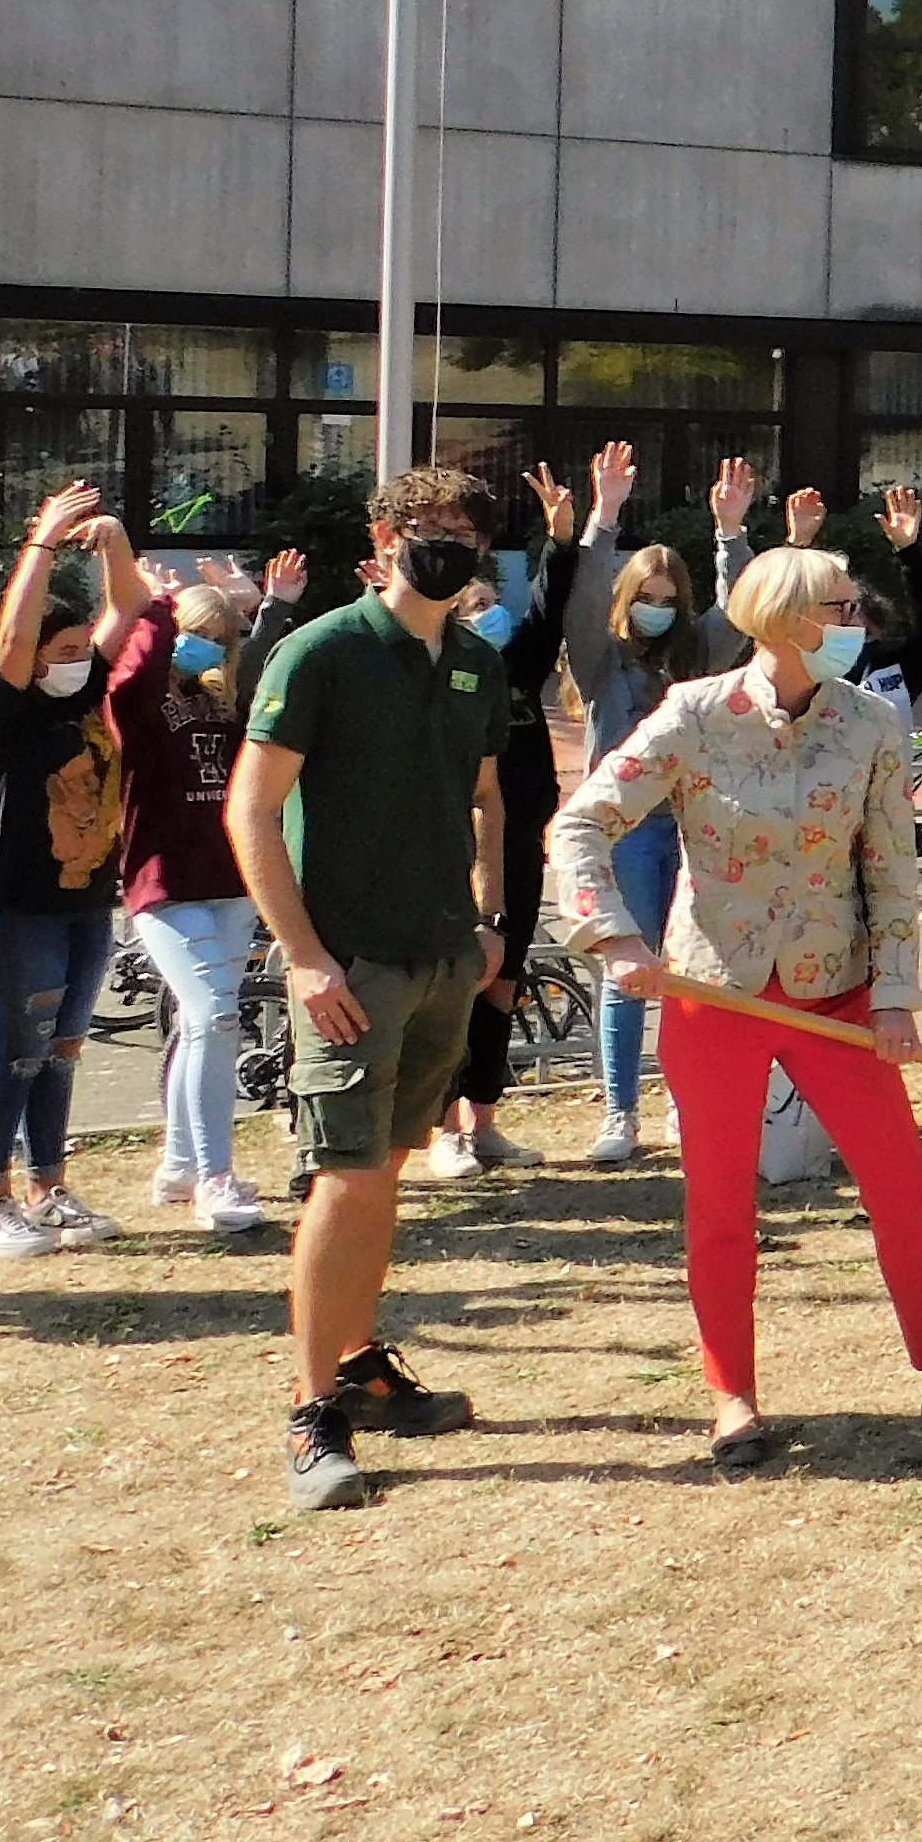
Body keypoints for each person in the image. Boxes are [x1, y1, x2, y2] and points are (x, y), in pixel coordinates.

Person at [551, 542, 922, 1465]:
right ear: (786, 618)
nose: (856, 626)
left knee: (902, 1183)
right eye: (841, 609)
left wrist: (896, 995)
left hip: (839, 994)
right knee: (720, 1201)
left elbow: (886, 870)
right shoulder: (694, 716)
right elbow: (582, 822)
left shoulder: (871, 723)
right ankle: (732, 1396)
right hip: (718, 990)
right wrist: (614, 938)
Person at [229, 463, 515, 1513]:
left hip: (443, 956)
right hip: (351, 966)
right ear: (384, 538)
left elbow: (490, 799)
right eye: (426, 527)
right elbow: (252, 813)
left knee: (385, 1168)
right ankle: (315, 1416)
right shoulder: (321, 653)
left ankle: (360, 1364)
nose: (445, 543)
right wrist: (303, 956)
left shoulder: (480, 665)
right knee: (345, 1176)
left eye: (463, 530)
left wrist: (488, 925)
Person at [0, 484, 130, 1261]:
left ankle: (48, 1187)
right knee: (14, 1053)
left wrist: (114, 543)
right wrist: (42, 546)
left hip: (86, 904)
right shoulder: (4, 713)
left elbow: (128, 615)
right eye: (59, 653)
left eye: (79, 652)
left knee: (61, 1050)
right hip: (15, 907)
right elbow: (13, 640)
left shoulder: (89, 687)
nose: (74, 662)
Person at [562, 439, 747, 1167]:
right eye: (647, 598)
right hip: (628, 830)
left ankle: (683, 1097)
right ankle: (620, 1110)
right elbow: (580, 601)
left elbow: (739, 612)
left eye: (670, 601)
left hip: (695, 822)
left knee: (692, 970)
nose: (658, 610)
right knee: (628, 968)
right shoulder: (601, 657)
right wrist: (604, 514)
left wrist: (731, 531)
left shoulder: (697, 651)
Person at [94, 517, 274, 1233]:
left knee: (211, 1024)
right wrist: (161, 608)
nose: (214, 649)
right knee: (212, 1017)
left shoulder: (226, 705)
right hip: (162, 882)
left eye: (225, 641)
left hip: (228, 881)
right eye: (206, 636)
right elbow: (133, 672)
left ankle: (178, 1162)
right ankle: (214, 1178)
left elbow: (262, 673)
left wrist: (255, 608)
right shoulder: (138, 703)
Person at [428, 465, 582, 1180]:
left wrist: (560, 538)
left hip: (518, 837)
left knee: (502, 977)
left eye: (491, 601)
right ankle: (441, 1131)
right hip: (450, 844)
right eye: (472, 606)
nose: (485, 612)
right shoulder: (439, 667)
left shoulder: (515, 663)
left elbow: (550, 610)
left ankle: (483, 1120)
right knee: (452, 983)